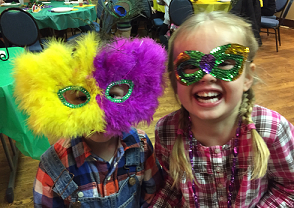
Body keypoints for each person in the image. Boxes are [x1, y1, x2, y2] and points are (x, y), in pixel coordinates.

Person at [151, 11, 294, 207]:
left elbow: (289, 188)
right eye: (191, 65)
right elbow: (172, 187)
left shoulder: (272, 129)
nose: (207, 77)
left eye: (225, 63)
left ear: (248, 78)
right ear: (176, 81)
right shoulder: (166, 131)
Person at [13, 33, 167, 207]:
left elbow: (152, 196)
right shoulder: (53, 165)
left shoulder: (141, 146)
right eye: (80, 97)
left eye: (113, 95)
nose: (98, 115)